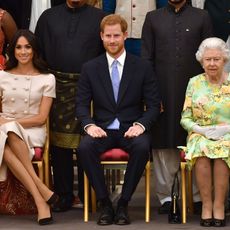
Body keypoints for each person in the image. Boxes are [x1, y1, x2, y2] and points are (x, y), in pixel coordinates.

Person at [76, 14, 160, 225]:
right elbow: (81, 105)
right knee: (84, 147)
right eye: (108, 36)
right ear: (101, 37)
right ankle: (105, 203)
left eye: (116, 35)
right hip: (102, 129)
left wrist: (140, 125)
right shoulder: (90, 68)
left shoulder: (142, 67)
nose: (112, 40)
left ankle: (123, 203)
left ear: (125, 35)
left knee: (142, 146)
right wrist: (89, 125)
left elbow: (153, 106)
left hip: (131, 129)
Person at [141, 0, 213, 214]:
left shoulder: (202, 17)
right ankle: (165, 197)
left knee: (195, 140)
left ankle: (198, 195)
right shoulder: (153, 18)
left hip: (196, 93)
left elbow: (208, 57)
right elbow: (146, 59)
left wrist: (206, 95)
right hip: (161, 91)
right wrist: (151, 96)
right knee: (164, 142)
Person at [35, 0, 107, 212]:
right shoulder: (48, 17)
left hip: (91, 87)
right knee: (59, 144)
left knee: (88, 141)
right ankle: (64, 195)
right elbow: (39, 53)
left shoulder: (99, 17)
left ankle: (90, 194)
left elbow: (106, 54)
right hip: (56, 87)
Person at [0, 29, 57, 225]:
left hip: (32, 130)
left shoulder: (47, 78)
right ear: (12, 50)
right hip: (5, 130)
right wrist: (6, 123)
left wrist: (9, 123)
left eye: (27, 47)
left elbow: (41, 118)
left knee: (7, 133)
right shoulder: (2, 76)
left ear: (34, 50)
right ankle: (41, 195)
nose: (23, 52)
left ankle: (41, 195)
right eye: (18, 47)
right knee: (5, 136)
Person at [180, 37, 230, 227]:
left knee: (222, 150)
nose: (212, 63)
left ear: (224, 60)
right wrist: (199, 129)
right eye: (208, 59)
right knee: (201, 151)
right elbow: (185, 117)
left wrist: (225, 129)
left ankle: (219, 206)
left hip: (227, 135)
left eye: (216, 59)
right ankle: (206, 205)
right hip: (200, 134)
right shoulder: (194, 83)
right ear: (201, 61)